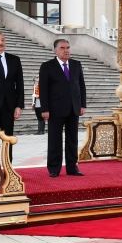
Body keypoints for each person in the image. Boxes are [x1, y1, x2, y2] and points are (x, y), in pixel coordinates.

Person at [39, 38, 87, 177]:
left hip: (73, 108)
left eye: (68, 47)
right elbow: (44, 89)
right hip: (54, 110)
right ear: (55, 50)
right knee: (55, 140)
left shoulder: (76, 64)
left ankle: (72, 168)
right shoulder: (47, 66)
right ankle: (54, 168)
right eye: (62, 48)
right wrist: (44, 109)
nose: (66, 50)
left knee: (72, 140)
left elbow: (81, 86)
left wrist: (82, 104)